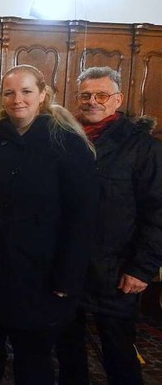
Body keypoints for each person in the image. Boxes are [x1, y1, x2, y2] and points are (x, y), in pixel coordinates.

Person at [0, 65, 99, 384]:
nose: (17, 99)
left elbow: (81, 219)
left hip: (40, 276)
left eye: (26, 91)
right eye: (10, 92)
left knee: (33, 360)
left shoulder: (68, 147)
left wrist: (68, 277)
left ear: (42, 95)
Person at [56, 66, 162, 385]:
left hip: (116, 271)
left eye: (101, 95)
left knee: (118, 352)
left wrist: (142, 268)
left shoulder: (142, 147)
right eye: (85, 95)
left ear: (117, 99)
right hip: (69, 268)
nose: (92, 101)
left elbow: (157, 211)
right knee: (67, 348)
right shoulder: (63, 139)